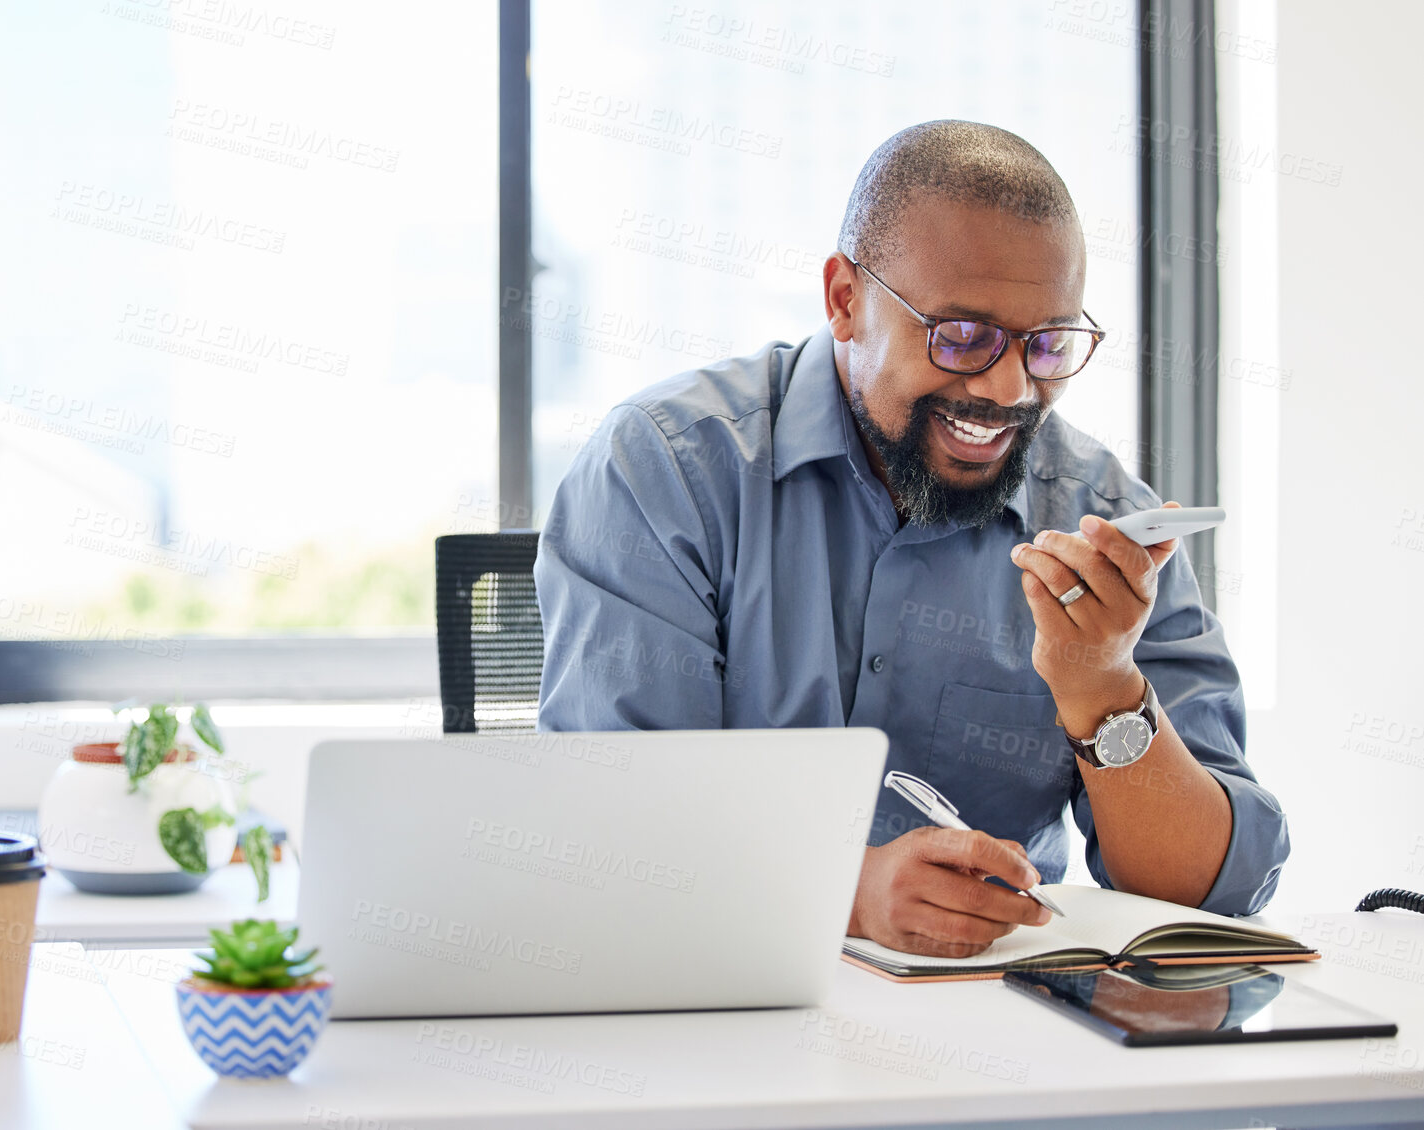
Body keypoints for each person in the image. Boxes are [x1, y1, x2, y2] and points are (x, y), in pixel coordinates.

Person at [534, 120, 1289, 958]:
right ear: (843, 299)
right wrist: (843, 894)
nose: (1007, 388)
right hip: (704, 995)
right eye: (959, 336)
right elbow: (605, 826)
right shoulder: (666, 474)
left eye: (1046, 344)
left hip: (996, 1031)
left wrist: (1102, 689)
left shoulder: (1098, 520)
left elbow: (1215, 888)